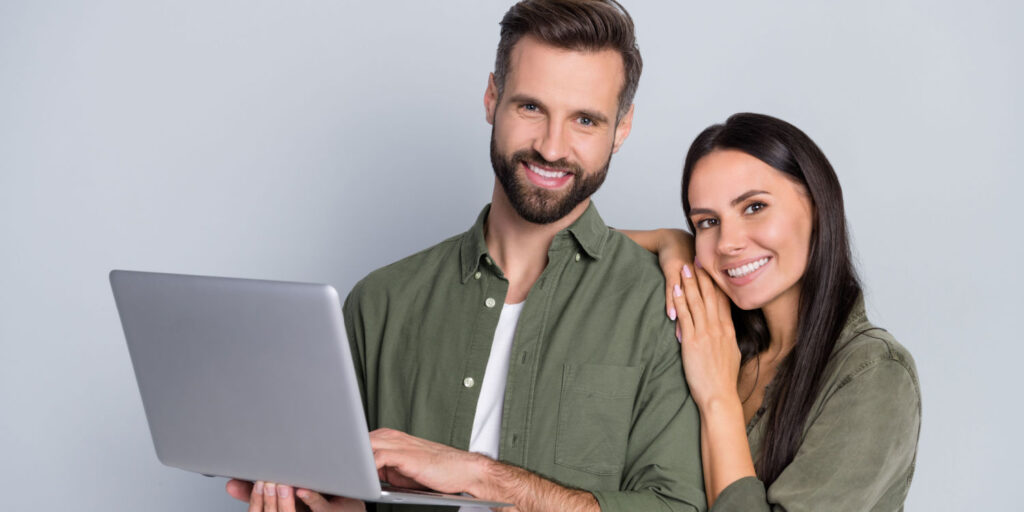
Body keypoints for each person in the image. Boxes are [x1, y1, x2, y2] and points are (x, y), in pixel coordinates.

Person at [225, 1, 707, 511]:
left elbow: (676, 508)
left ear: (622, 128)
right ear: (491, 97)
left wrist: (482, 476)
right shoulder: (380, 303)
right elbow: (346, 493)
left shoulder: (667, 308)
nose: (551, 146)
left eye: (585, 120)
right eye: (531, 107)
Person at [625, 113, 921, 510]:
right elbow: (551, 243)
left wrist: (717, 399)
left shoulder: (873, 374)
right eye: (707, 222)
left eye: (754, 207)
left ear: (816, 206)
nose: (727, 243)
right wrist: (670, 241)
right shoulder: (710, 331)